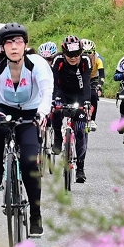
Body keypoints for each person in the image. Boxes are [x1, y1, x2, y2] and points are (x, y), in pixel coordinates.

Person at [0, 22, 53, 237]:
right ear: (2, 48)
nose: (14, 46)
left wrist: (43, 113)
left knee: (29, 162)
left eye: (18, 41)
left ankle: (35, 213)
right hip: (3, 106)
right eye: (8, 43)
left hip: (31, 111)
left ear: (26, 44)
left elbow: (47, 91)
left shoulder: (37, 63)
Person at [51, 35, 92, 183]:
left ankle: (80, 168)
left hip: (79, 95)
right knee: (55, 111)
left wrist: (87, 101)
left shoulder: (86, 61)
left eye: (76, 54)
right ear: (64, 53)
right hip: (62, 93)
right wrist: (53, 99)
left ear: (81, 52)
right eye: (69, 54)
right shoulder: (58, 60)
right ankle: (57, 137)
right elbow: (54, 82)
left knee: (80, 131)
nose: (73, 58)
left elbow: (87, 82)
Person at [81, 39, 105, 131]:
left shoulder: (98, 59)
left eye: (90, 52)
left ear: (94, 52)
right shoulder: (79, 59)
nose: (88, 55)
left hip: (93, 78)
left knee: (93, 95)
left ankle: (92, 120)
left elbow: (102, 75)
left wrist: (99, 86)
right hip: (82, 77)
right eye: (85, 52)